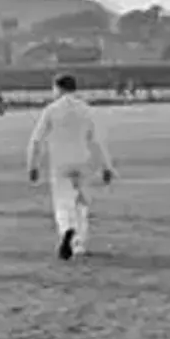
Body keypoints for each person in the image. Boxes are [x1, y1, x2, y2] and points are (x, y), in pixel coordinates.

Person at [26, 74, 116, 260]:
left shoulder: (51, 110)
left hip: (60, 162)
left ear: (58, 88)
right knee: (81, 202)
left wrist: (32, 165)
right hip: (83, 161)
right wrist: (107, 167)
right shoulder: (86, 110)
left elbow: (36, 140)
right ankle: (79, 244)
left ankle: (67, 229)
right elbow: (97, 141)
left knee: (63, 202)